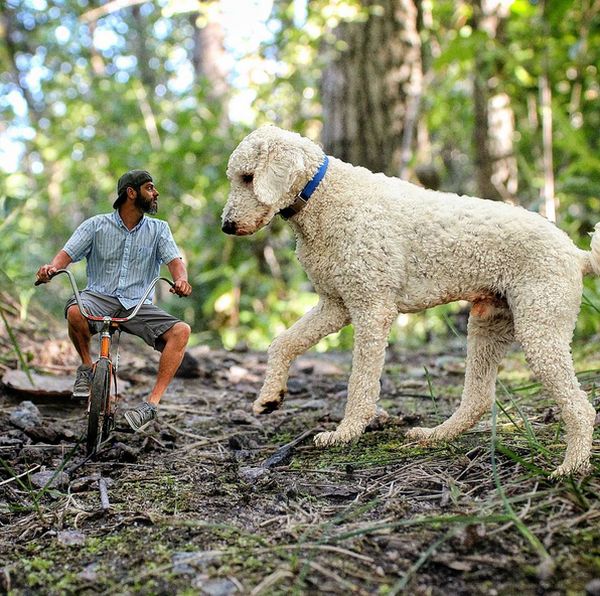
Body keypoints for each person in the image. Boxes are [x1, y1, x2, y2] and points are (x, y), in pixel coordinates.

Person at [35, 169, 192, 432]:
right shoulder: (95, 225)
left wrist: (181, 280)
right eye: (150, 188)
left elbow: (175, 263)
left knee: (181, 331)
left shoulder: (159, 229)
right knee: (75, 310)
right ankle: (87, 365)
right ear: (131, 193)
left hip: (138, 303)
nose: (156, 193)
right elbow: (67, 254)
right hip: (98, 297)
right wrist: (51, 269)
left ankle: (151, 404)